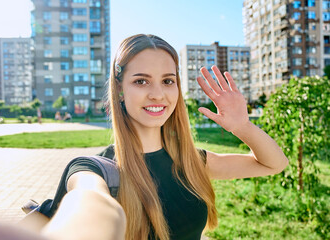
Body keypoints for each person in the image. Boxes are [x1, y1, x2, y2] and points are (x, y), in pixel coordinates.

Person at [40, 34, 288, 240]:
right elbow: (89, 202)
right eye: (141, 81)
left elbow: (274, 164)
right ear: (120, 90)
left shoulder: (192, 162)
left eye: (168, 81)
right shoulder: (94, 170)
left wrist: (242, 127)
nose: (158, 94)